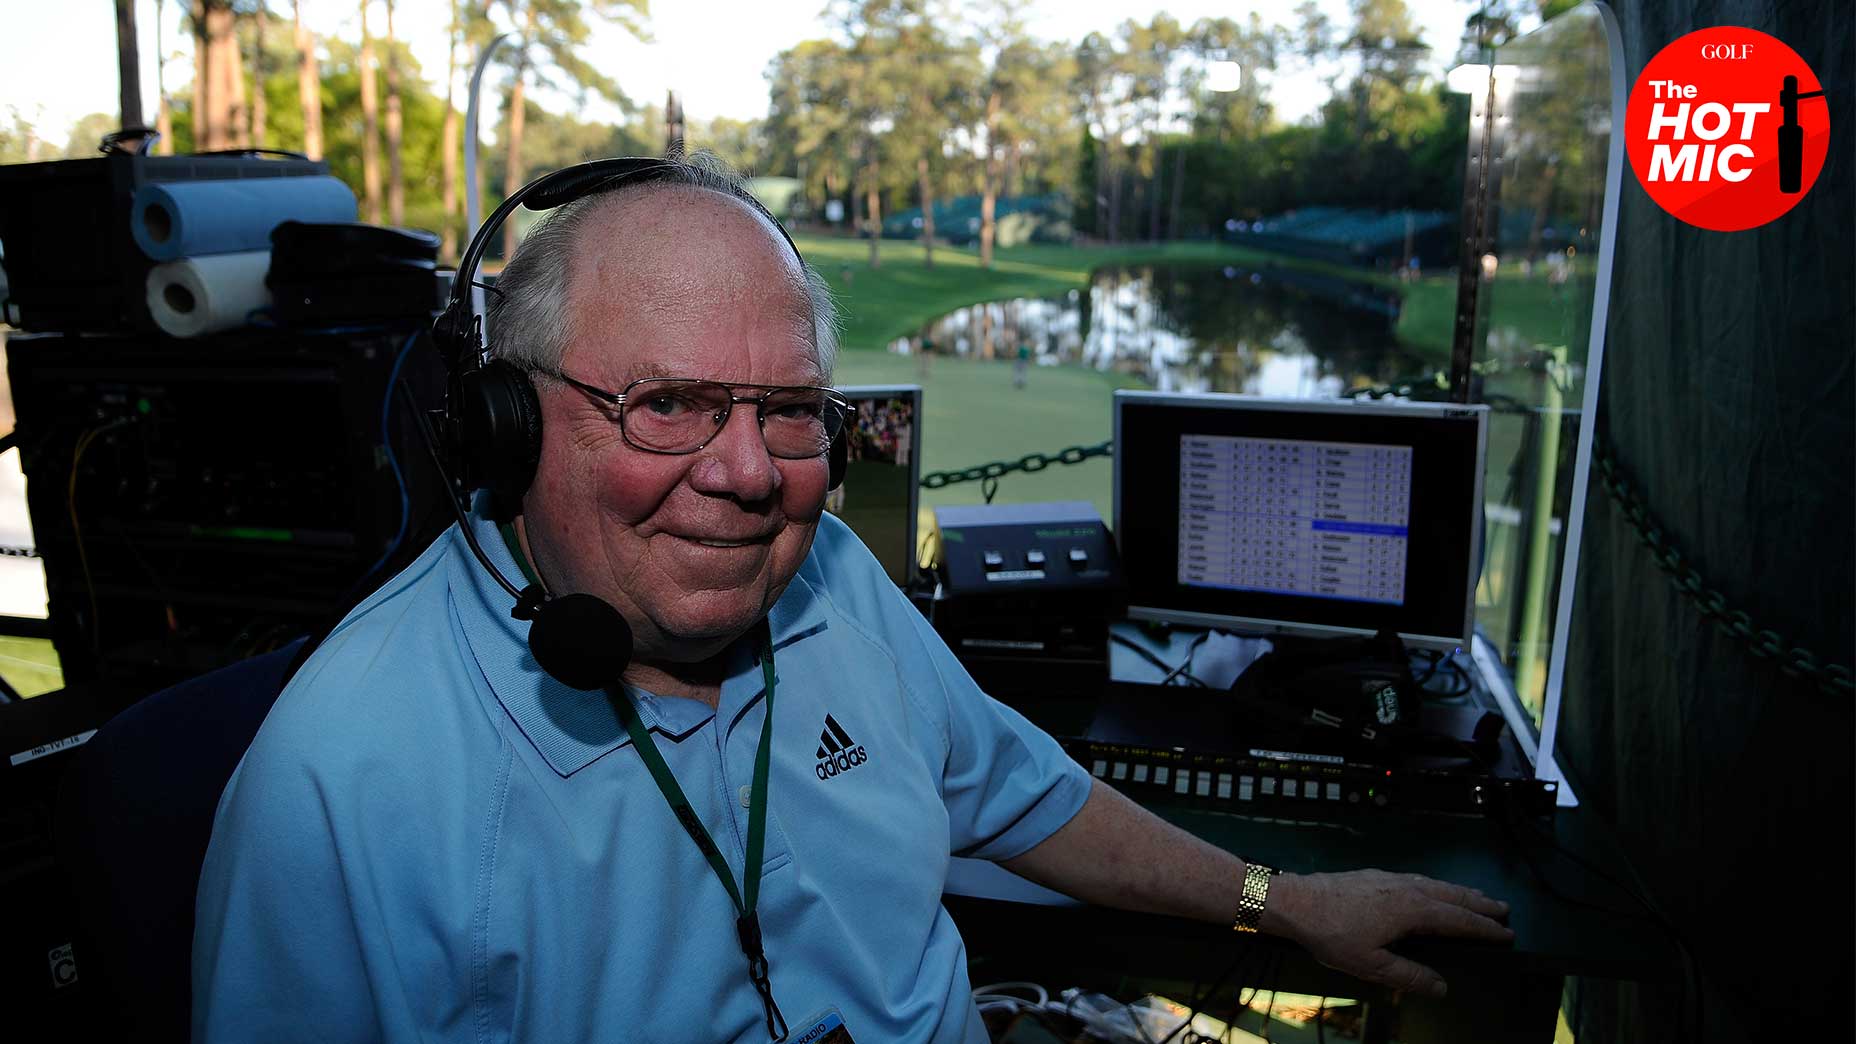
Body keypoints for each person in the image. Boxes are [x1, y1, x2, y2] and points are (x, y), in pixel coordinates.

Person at [192, 158, 1512, 1043]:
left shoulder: (831, 584)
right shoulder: (341, 779)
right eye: (667, 405)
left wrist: (1281, 904)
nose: (749, 473)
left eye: (785, 412)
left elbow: (1025, 795)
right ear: (500, 430)